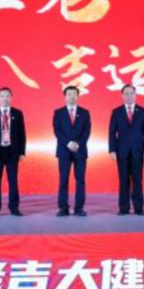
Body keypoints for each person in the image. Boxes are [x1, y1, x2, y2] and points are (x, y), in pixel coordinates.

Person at [108, 84, 144, 216]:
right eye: (126, 93)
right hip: (122, 151)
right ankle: (124, 208)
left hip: (138, 152)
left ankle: (139, 208)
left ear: (135, 95)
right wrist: (112, 149)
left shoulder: (143, 111)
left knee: (137, 181)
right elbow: (112, 132)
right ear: (122, 95)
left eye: (132, 93)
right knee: (123, 181)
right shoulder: (116, 112)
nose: (129, 96)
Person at [0, 87, 26, 217]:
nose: (5, 99)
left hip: (12, 152)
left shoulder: (17, 113)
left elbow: (22, 134)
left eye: (7, 96)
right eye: (2, 96)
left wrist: (22, 152)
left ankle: (14, 208)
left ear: (11, 98)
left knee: (13, 181)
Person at [53, 86, 90, 217]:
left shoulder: (85, 113)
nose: (72, 97)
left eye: (74, 94)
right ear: (65, 96)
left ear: (78, 96)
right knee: (63, 180)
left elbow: (87, 131)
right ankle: (63, 208)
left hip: (80, 151)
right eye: (69, 94)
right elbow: (57, 130)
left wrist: (78, 143)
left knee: (80, 180)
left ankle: (79, 208)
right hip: (64, 151)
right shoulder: (58, 113)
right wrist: (68, 143)